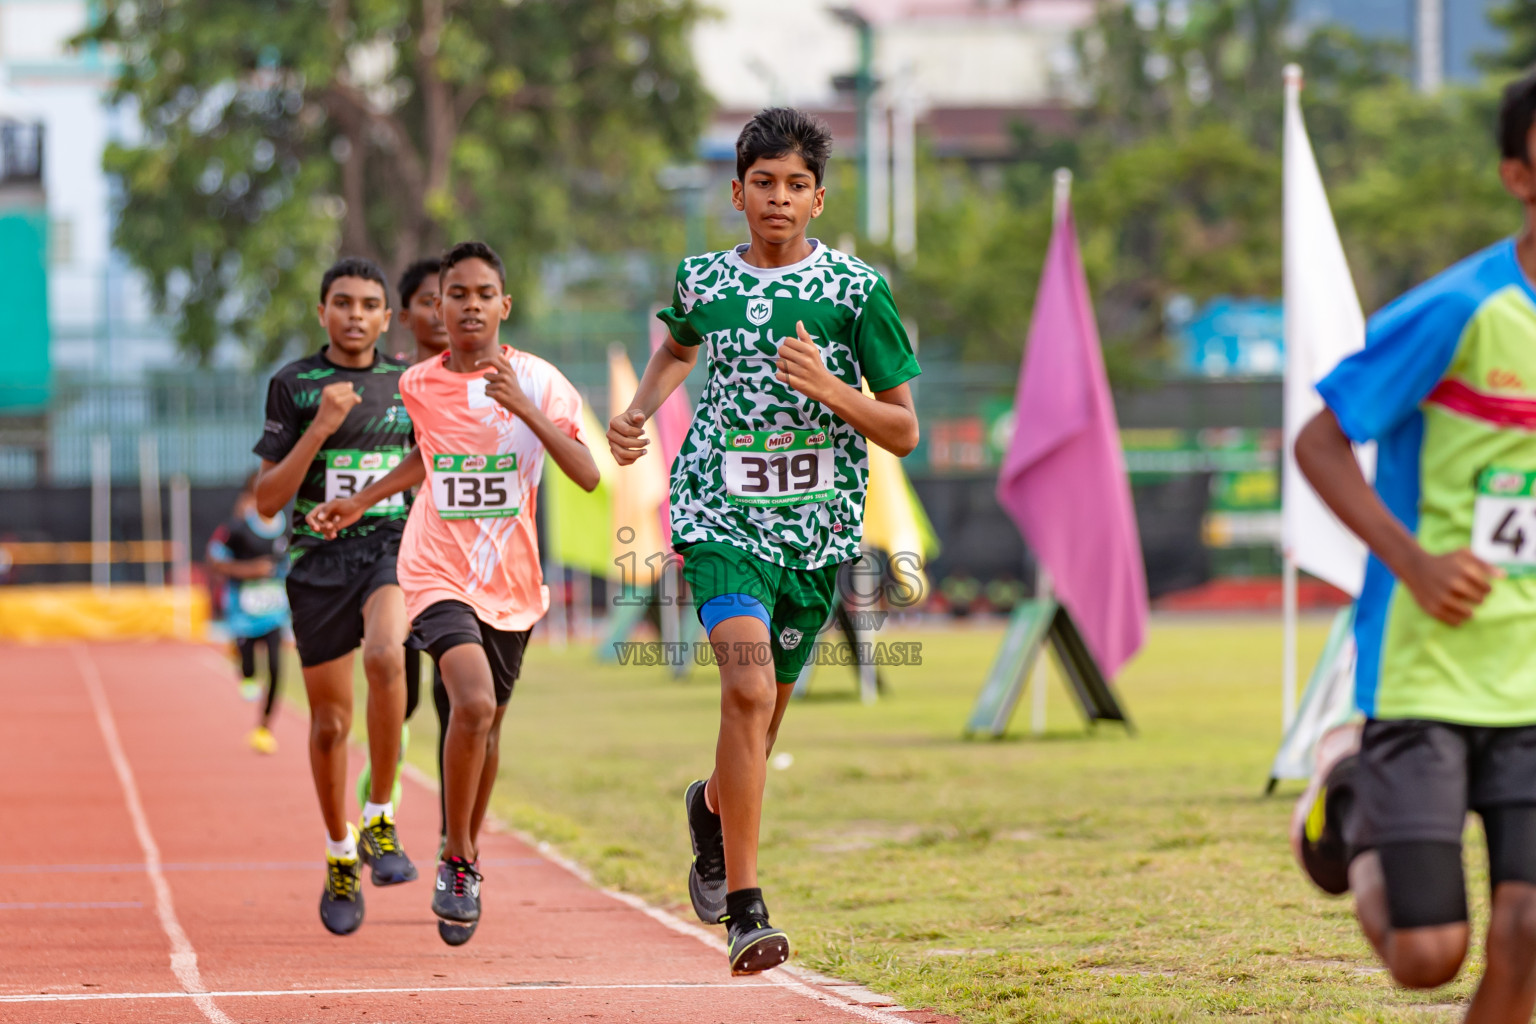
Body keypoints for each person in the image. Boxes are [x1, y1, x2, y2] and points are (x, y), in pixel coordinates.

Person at [607, 107, 920, 975]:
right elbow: (677, 347)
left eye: (795, 185)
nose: (778, 198)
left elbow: (901, 430)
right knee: (744, 692)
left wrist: (830, 388)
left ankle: (710, 809)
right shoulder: (704, 277)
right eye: (763, 183)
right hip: (719, 514)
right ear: (736, 191)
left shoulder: (858, 291)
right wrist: (636, 413)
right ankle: (747, 909)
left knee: (764, 718)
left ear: (818, 199)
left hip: (817, 531)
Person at [1292, 69, 1536, 1021]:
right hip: (1425, 668)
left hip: (1530, 678)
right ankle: (1347, 794)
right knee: (1429, 956)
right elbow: (1320, 441)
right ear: (1520, 174)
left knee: (1528, 934)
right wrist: (1416, 563)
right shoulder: (1461, 307)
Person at [308, 240, 599, 946]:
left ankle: (457, 847)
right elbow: (427, 458)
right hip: (436, 570)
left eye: (483, 293)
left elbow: (587, 473)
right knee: (468, 701)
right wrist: (361, 500)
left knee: (487, 722)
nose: (469, 305)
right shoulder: (419, 384)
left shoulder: (543, 380)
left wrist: (524, 408)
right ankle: (462, 862)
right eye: (456, 293)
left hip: (513, 581)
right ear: (438, 306)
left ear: (505, 305)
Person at [252, 256, 418, 936]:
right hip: (316, 563)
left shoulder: (408, 383)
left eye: (369, 304)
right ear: (322, 312)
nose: (355, 314)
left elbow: (426, 460)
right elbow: (266, 501)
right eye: (342, 302)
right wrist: (319, 428)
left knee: (387, 656)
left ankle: (379, 816)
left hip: (388, 548)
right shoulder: (294, 385)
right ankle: (340, 851)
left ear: (387, 317)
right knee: (328, 726)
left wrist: (369, 501)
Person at [356, 257, 454, 826]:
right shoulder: (390, 389)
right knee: (405, 696)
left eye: (455, 297)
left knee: (459, 704)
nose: (443, 311)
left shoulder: (481, 386)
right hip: (395, 556)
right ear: (408, 314)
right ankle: (378, 796)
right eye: (429, 300)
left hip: (458, 560)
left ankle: (453, 841)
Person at [207, 471, 290, 754]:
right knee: (249, 670)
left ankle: (265, 727)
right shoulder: (238, 529)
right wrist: (250, 570)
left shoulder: (286, 528)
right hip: (243, 613)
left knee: (278, 669)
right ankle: (245, 669)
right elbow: (215, 561)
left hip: (274, 612)